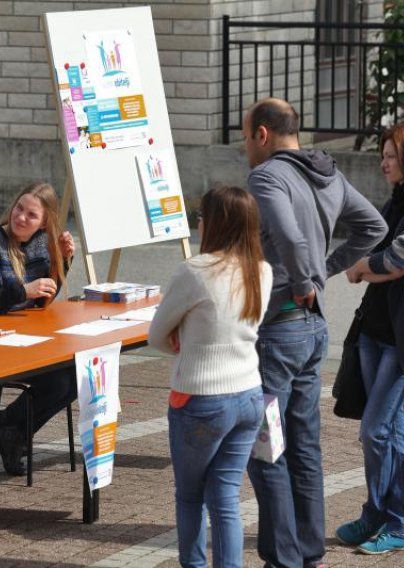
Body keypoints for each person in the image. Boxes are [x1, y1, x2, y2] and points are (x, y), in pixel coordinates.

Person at [241, 98, 387, 568]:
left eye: (246, 136)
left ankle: (284, 558)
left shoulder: (266, 176)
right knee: (303, 445)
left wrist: (308, 277)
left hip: (279, 329)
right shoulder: (328, 173)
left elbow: (287, 232)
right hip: (312, 329)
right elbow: (374, 225)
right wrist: (324, 272)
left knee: (266, 446)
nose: (246, 146)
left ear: (262, 134)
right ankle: (308, 553)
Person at [337, 121, 404, 555]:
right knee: (391, 432)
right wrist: (366, 262)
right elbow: (369, 243)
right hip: (373, 332)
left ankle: (395, 518)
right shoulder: (394, 202)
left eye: (390, 156)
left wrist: (363, 267)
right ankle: (385, 517)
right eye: (382, 155)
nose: (383, 163)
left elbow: (398, 258)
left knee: (375, 430)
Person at [148, 186, 272, 568]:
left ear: (215, 224)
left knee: (189, 496)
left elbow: (156, 335)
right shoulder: (262, 271)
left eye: (201, 217)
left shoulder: (195, 271)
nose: (197, 224)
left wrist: (183, 344)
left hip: (200, 398)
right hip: (249, 394)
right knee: (225, 497)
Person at [0, 181, 75, 475]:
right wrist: (22, 291)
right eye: (19, 208)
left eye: (31, 215)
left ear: (45, 222)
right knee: (59, 382)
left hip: (23, 339)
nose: (21, 217)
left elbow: (43, 299)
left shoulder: (39, 243)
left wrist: (62, 260)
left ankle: (10, 426)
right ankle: (11, 429)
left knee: (75, 376)